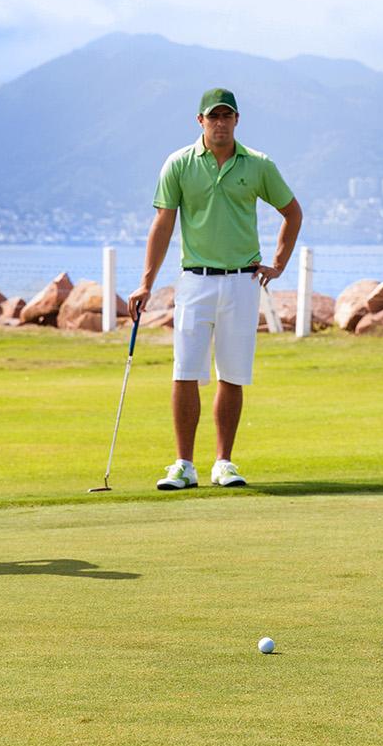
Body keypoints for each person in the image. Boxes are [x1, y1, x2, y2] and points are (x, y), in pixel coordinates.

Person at [128, 87, 303, 491]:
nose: (220, 123)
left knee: (233, 374)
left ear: (237, 120)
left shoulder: (257, 165)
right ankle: (183, 465)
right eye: (213, 117)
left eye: (227, 116)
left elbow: (292, 212)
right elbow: (163, 224)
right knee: (185, 371)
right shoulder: (179, 164)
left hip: (243, 282)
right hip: (194, 281)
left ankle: (223, 462)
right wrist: (145, 284)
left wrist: (278, 264)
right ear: (200, 121)